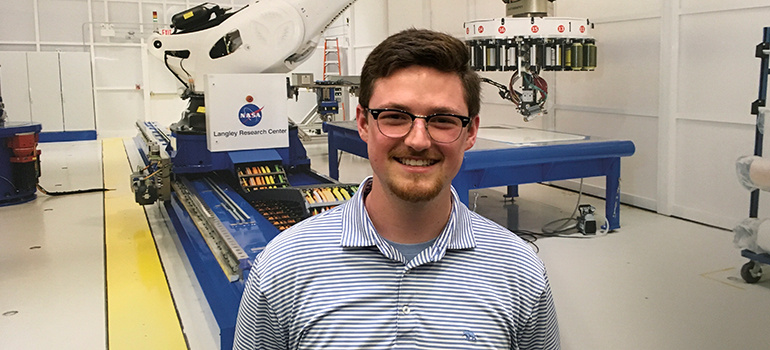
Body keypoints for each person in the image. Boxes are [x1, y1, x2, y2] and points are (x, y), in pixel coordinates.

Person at [233, 28, 560, 349]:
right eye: (394, 116)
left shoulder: (519, 271)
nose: (418, 140)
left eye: (443, 119)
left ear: (470, 131)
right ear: (363, 123)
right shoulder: (284, 266)